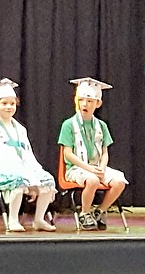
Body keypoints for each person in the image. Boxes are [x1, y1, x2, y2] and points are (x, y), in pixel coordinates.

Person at [0, 79, 57, 232]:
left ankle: (39, 219)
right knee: (19, 182)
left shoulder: (20, 129)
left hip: (24, 167)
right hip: (2, 169)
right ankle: (13, 219)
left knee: (47, 181)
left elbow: (28, 154)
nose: (9, 107)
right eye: (4, 103)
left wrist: (35, 179)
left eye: (12, 103)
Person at [57, 77, 128, 231]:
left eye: (90, 101)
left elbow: (104, 152)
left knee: (119, 181)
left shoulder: (101, 126)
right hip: (75, 168)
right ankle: (84, 213)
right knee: (93, 180)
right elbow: (68, 154)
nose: (85, 104)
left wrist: (101, 167)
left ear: (98, 104)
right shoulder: (68, 125)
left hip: (96, 167)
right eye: (81, 100)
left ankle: (100, 211)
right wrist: (89, 169)